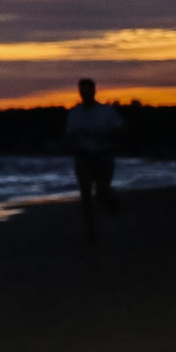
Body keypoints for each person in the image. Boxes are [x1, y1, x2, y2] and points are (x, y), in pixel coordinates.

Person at [65, 77, 122, 241]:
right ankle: (91, 230)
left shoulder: (106, 111)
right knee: (85, 194)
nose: (85, 94)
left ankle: (111, 201)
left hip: (103, 156)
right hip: (84, 157)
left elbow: (122, 127)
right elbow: (69, 135)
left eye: (88, 90)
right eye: (82, 91)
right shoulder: (75, 114)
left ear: (94, 91)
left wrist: (112, 137)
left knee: (102, 193)